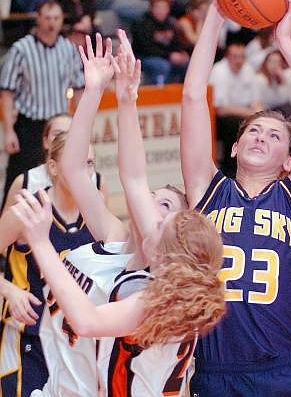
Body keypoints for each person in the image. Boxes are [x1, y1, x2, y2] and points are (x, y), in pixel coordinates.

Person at [9, 32, 225, 397]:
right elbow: (93, 171)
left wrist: (41, 243)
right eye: (154, 198)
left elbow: (87, 321)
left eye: (164, 208)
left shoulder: (154, 297)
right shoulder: (115, 244)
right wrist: (107, 94)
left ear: (165, 251)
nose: (148, 204)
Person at [181, 0, 291, 396]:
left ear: (290, 161)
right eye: (253, 131)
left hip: (284, 371)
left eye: (273, 136)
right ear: (233, 146)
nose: (260, 137)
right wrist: (214, 16)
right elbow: (195, 97)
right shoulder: (206, 190)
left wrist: (284, 42)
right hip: (216, 372)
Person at [0, 131, 99, 397]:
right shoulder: (28, 209)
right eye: (77, 162)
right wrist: (9, 290)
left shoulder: (97, 212)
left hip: (76, 343)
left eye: (89, 163)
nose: (85, 171)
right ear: (52, 167)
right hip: (28, 338)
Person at [0, 0, 85, 209]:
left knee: (61, 177)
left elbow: (80, 87)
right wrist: (9, 131)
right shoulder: (21, 49)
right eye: (47, 18)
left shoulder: (68, 48)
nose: (51, 23)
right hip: (29, 125)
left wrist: (81, 124)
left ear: (62, 20)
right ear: (38, 19)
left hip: (59, 125)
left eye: (56, 18)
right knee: (18, 181)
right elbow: (7, 92)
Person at [209, 42, 262, 177]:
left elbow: (256, 100)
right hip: (219, 118)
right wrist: (250, 113)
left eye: (242, 57)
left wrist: (261, 114)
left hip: (245, 113)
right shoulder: (219, 71)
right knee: (235, 124)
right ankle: (230, 170)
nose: (239, 60)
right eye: (235, 57)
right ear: (227, 57)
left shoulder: (248, 69)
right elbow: (220, 109)